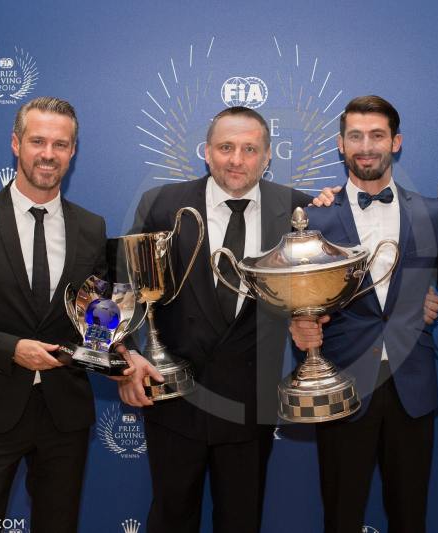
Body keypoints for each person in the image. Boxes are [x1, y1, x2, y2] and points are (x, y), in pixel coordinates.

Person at [0, 97, 154, 533]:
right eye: (38, 141)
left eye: (61, 144)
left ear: (72, 152)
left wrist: (125, 355)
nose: (48, 154)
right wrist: (11, 349)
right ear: (16, 143)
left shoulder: (90, 226)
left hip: (64, 417)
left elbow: (97, 318)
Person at [118, 106, 311, 533]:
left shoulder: (298, 208)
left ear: (267, 157)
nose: (236, 160)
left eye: (249, 149)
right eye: (226, 147)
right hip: (173, 400)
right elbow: (125, 291)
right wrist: (125, 360)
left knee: (242, 522)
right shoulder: (163, 204)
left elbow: (324, 285)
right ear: (206, 152)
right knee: (170, 519)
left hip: (251, 403)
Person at [289, 95, 438, 533]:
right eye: (355, 136)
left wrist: (435, 298)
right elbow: (298, 301)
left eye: (377, 135)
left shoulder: (432, 212)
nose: (366, 146)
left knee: (411, 516)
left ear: (395, 142)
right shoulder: (313, 217)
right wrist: (297, 323)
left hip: (411, 386)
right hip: (342, 387)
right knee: (341, 516)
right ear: (340, 145)